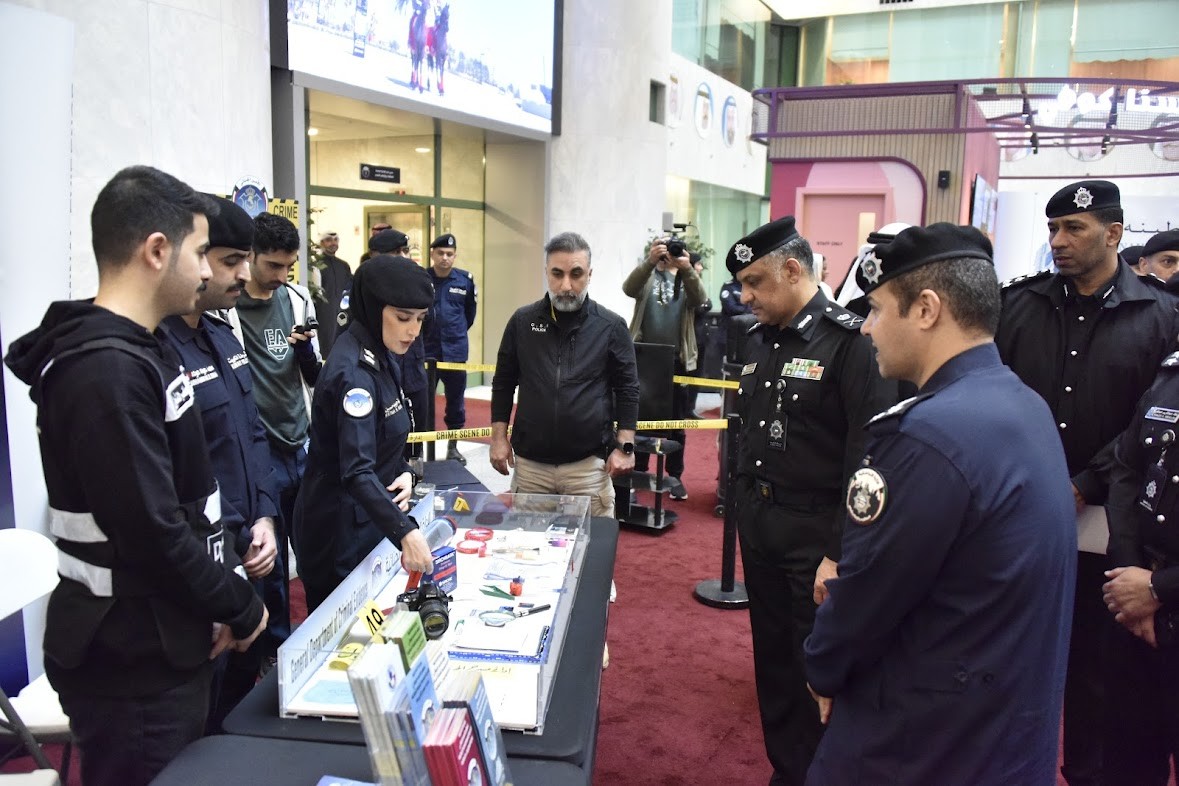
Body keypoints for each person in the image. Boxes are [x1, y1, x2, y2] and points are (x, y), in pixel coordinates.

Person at [3, 166, 266, 786]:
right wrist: (239, 603)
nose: (206, 271)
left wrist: (222, 585)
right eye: (200, 253)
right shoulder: (106, 373)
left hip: (170, 635)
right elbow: (152, 532)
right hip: (133, 661)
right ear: (156, 251)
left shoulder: (146, 347)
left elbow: (189, 496)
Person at [804, 223, 1076, 785]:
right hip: (1003, 727)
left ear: (926, 309)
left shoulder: (927, 435)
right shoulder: (1025, 403)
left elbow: (868, 595)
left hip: (925, 742)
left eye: (877, 310)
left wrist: (822, 668)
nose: (867, 328)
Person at [995, 179, 1179, 786]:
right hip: (1019, 508)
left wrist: (1084, 484)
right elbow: (994, 396)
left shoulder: (1160, 314)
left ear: (1114, 233)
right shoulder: (1018, 305)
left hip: (1112, 519)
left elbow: (1149, 426)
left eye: (1074, 228)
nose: (1059, 240)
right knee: (1012, 651)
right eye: (1053, 228)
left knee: (1099, 671)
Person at [725, 215, 896, 785]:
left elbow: (867, 456)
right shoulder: (758, 341)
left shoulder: (849, 342)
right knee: (773, 662)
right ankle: (787, 769)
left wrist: (841, 551)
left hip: (817, 535)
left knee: (816, 666)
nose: (744, 296)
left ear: (793, 271)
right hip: (761, 525)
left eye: (754, 282)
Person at [156, 196, 278, 730]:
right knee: (201, 718)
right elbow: (182, 473)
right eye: (230, 261)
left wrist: (267, 516)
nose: (241, 275)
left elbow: (254, 433)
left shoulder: (222, 334)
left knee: (241, 701)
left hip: (254, 550)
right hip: (209, 564)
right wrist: (237, 541)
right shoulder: (158, 349)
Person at [292, 255, 436, 610]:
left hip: (367, 519)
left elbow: (384, 435)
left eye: (420, 319)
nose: (413, 331)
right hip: (338, 534)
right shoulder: (354, 374)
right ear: (373, 309)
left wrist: (404, 471)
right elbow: (356, 469)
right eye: (403, 318)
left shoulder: (381, 353)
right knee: (345, 635)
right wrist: (406, 531)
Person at [490, 231, 639, 517]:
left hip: (588, 470)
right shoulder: (522, 322)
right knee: (529, 544)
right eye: (557, 274)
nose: (566, 285)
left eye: (576, 274)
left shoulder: (611, 327)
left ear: (590, 275)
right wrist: (498, 438)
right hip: (531, 469)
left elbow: (628, 389)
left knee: (592, 546)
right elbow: (503, 383)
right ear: (546, 272)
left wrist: (626, 447)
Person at [228, 211, 321, 664]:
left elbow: (315, 373)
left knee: (315, 547)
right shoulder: (226, 309)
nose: (282, 276)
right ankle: (277, 652)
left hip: (300, 439)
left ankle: (323, 635)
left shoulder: (299, 299)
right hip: (259, 449)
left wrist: (306, 354)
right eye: (273, 266)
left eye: (289, 266)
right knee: (272, 559)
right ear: (250, 256)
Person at [1103, 344, 1179, 785]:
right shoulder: (1171, 373)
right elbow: (1127, 469)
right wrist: (1132, 575)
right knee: (1126, 766)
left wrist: (1158, 589)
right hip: (1139, 619)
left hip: (1161, 594)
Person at [622, 237, 708, 500]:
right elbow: (628, 288)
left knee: (677, 421)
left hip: (676, 359)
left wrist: (686, 268)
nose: (669, 253)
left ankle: (674, 476)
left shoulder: (686, 277)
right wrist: (649, 262)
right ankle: (637, 472)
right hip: (644, 358)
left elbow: (700, 298)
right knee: (639, 420)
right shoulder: (648, 275)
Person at [369, 228, 430, 458]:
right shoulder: (364, 290)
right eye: (396, 252)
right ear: (376, 255)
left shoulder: (418, 284)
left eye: (405, 250)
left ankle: (414, 473)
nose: (404, 256)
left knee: (415, 442)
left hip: (414, 375)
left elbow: (429, 325)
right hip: (381, 379)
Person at [423, 233, 477, 463]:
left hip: (455, 351)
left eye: (449, 254)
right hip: (427, 350)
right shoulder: (422, 279)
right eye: (440, 253)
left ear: (455, 256)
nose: (445, 258)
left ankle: (453, 448)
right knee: (423, 401)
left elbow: (470, 315)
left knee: (455, 401)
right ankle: (421, 450)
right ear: (432, 254)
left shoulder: (465, 280)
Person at [312, 230, 354, 358]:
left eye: (335, 240)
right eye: (329, 240)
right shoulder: (316, 265)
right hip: (323, 314)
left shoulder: (343, 266)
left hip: (342, 313)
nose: (333, 243)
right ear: (322, 243)